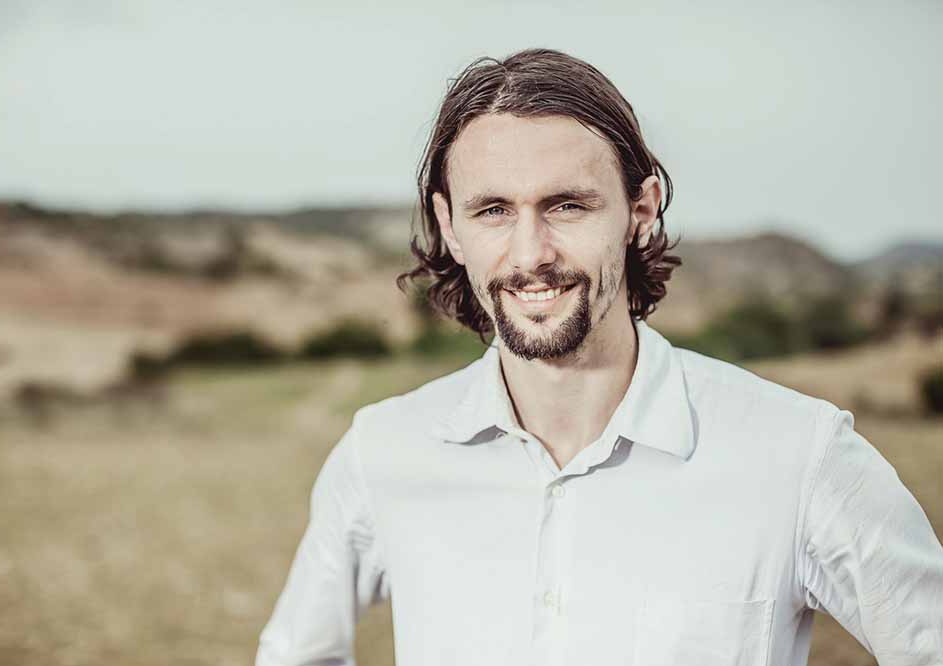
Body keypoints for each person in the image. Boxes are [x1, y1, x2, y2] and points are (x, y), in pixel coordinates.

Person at [256, 48, 943, 665]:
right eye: (493, 210)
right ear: (449, 227)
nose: (530, 254)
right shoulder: (381, 451)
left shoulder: (801, 454)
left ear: (640, 211)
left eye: (567, 206)